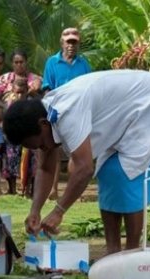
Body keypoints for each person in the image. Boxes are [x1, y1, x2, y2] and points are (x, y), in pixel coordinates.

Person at [3, 70, 150, 254]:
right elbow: (45, 168)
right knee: (106, 172)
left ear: (42, 125)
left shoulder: (66, 113)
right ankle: (113, 251)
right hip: (128, 117)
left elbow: (84, 169)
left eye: (39, 144)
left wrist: (58, 211)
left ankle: (133, 251)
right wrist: (35, 210)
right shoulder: (45, 114)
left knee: (126, 173)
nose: (41, 149)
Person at [41, 27, 92, 200]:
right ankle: (52, 190)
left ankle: (74, 190)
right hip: (57, 113)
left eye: (74, 42)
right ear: (62, 42)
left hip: (78, 113)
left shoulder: (83, 64)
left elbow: (89, 88)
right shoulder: (52, 62)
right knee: (54, 152)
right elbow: (47, 88)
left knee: (76, 153)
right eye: (68, 42)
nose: (71, 45)